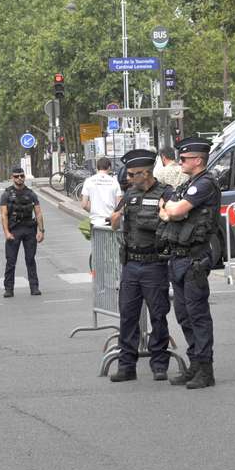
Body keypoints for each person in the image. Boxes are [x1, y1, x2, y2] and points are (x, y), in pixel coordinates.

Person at [158, 137, 221, 389]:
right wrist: (169, 210)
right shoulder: (188, 183)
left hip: (195, 256)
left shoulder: (205, 184)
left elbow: (172, 211)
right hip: (179, 256)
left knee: (197, 315)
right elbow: (166, 207)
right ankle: (194, 363)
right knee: (184, 314)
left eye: (184, 159)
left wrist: (170, 211)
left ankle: (206, 370)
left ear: (198, 160)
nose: (180, 162)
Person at [108, 149, 174, 382]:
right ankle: (127, 365)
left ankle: (159, 364)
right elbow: (114, 224)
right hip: (131, 265)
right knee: (127, 316)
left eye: (133, 174)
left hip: (154, 264)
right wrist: (117, 215)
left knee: (158, 315)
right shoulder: (129, 194)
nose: (128, 178)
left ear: (146, 173)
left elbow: (171, 220)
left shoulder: (166, 193)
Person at [0, 167, 45, 297]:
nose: (19, 178)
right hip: (14, 230)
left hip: (29, 229)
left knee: (30, 259)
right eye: (16, 176)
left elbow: (38, 213)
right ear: (12, 178)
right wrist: (6, 232)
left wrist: (41, 231)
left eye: (21, 176)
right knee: (11, 261)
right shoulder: (7, 194)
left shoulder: (31, 194)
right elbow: (3, 215)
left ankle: (34, 287)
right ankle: (9, 289)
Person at [80, 156, 121, 226]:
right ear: (109, 167)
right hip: (110, 221)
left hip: (94, 221)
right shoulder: (114, 182)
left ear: (97, 167)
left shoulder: (89, 181)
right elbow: (119, 205)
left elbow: (84, 205)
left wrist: (94, 210)